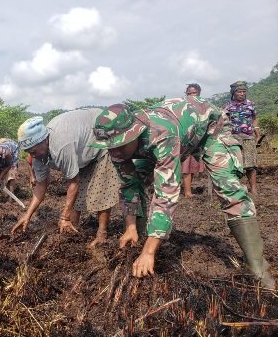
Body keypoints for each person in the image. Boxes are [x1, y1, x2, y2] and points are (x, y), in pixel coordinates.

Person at [90, 97, 275, 288]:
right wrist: (130, 227)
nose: (116, 152)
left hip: (211, 130)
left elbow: (166, 193)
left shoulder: (161, 134)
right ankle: (141, 240)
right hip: (178, 137)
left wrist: (149, 253)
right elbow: (129, 186)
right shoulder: (116, 150)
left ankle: (257, 268)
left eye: (120, 145)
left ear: (134, 133)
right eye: (111, 147)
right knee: (137, 178)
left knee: (228, 188)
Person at [11, 110, 119, 248]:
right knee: (75, 198)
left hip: (100, 141)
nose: (33, 156)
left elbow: (73, 182)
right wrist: (27, 215)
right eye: (29, 152)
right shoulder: (38, 155)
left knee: (101, 192)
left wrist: (63, 217)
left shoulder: (61, 145)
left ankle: (101, 235)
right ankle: (72, 231)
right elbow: (40, 186)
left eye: (33, 151)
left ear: (44, 140)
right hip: (81, 150)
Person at [224, 81, 260, 194]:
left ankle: (253, 188)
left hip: (248, 137)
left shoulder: (251, 104)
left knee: (251, 164)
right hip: (233, 138)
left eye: (244, 91)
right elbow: (225, 121)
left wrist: (257, 132)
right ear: (234, 93)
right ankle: (236, 187)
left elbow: (255, 119)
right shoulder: (228, 106)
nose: (242, 93)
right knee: (235, 164)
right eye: (240, 91)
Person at [182, 83, 206, 197]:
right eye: (189, 93)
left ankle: (188, 189)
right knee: (186, 166)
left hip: (198, 140)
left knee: (193, 165)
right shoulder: (182, 106)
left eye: (194, 93)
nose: (191, 95)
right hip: (185, 140)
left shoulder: (204, 106)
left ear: (199, 93)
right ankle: (187, 192)